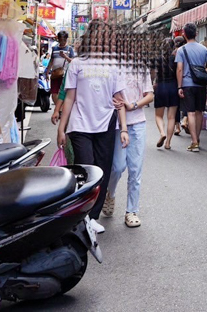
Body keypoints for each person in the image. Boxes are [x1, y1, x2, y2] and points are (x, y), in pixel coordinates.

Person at [56, 22, 129, 232]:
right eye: (97, 38)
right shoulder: (77, 64)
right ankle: (80, 213)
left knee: (103, 170)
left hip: (106, 123)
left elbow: (119, 99)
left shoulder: (114, 65)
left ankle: (92, 217)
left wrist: (123, 129)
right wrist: (62, 128)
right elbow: (70, 98)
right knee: (86, 167)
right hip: (79, 124)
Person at [103, 38, 154, 228]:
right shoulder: (113, 69)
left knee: (135, 169)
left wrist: (133, 105)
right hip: (117, 124)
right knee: (117, 167)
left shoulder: (141, 68)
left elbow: (149, 95)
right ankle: (111, 193)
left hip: (138, 123)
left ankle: (131, 211)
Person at [174, 22, 207, 152]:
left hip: (187, 85)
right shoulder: (203, 49)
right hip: (201, 84)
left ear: (184, 34)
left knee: (190, 113)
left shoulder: (181, 50)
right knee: (200, 112)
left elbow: (180, 69)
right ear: (196, 34)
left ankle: (194, 142)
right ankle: (197, 139)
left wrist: (179, 87)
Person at [152, 37, 180, 150]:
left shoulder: (157, 59)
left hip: (161, 87)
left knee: (158, 115)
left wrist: (153, 83)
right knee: (171, 117)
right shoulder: (176, 58)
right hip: (173, 87)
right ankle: (168, 142)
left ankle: (162, 133)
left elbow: (154, 74)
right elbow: (179, 72)